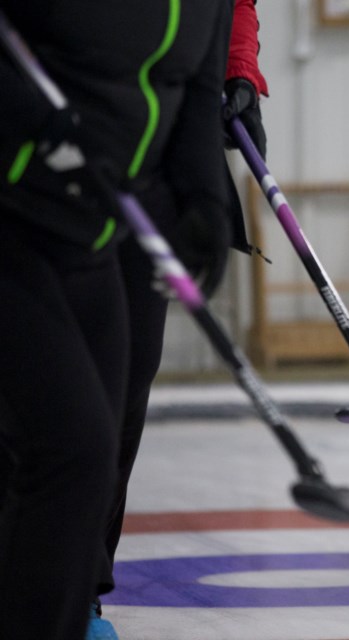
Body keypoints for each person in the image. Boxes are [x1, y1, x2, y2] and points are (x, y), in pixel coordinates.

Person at [0, 1, 234, 638]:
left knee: (91, 461)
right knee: (69, 448)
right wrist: (36, 126)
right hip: (15, 219)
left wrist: (205, 204)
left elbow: (192, 88)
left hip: (92, 236)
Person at [87, 1, 269, 637]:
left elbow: (226, 7)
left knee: (122, 389)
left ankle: (79, 588)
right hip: (44, 178)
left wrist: (238, 73)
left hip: (151, 169)